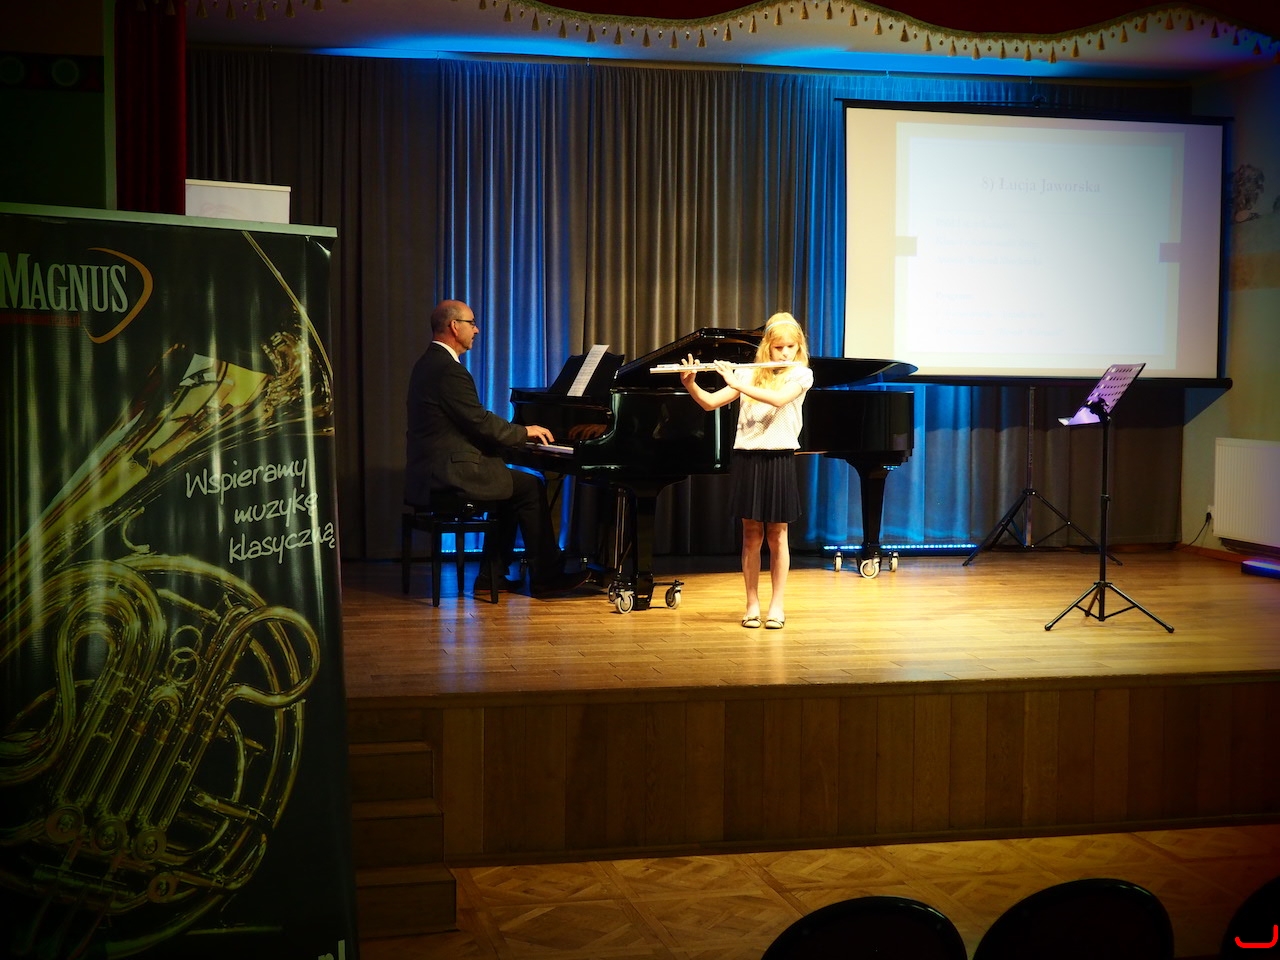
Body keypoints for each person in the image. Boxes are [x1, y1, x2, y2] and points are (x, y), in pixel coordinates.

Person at [404, 299, 587, 597]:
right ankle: (547, 576)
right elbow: (478, 421)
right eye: (472, 323)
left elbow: (470, 422)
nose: (476, 330)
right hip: (449, 473)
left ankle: (491, 575)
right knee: (528, 486)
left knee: (507, 483)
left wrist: (510, 440)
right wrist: (524, 432)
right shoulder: (447, 370)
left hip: (430, 470)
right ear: (454, 326)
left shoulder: (427, 363)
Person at [680, 313, 813, 629]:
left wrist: (738, 382)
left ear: (798, 348)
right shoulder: (749, 373)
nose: (785, 353)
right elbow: (710, 403)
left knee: (778, 534)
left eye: (791, 347)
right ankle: (752, 603)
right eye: (778, 347)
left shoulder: (801, 374)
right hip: (747, 459)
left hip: (779, 458)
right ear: (767, 347)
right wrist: (691, 384)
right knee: (751, 534)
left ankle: (776, 605)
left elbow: (779, 400)